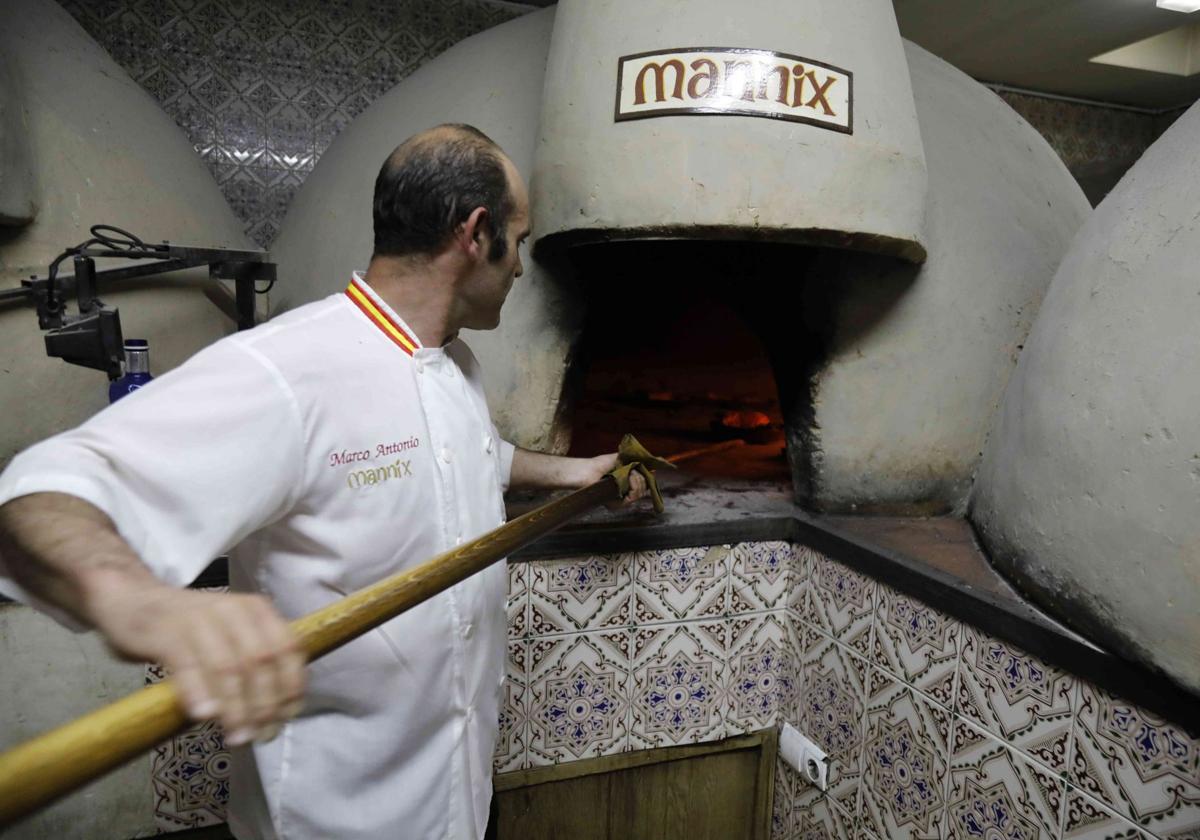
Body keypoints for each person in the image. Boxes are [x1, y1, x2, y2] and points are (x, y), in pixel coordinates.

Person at [0, 124, 645, 840]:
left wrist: (578, 473)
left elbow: (473, 458)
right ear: (477, 232)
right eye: (519, 242)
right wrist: (152, 612)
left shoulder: (454, 363)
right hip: (334, 819)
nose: (521, 267)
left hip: (457, 798)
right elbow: (41, 493)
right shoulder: (286, 372)